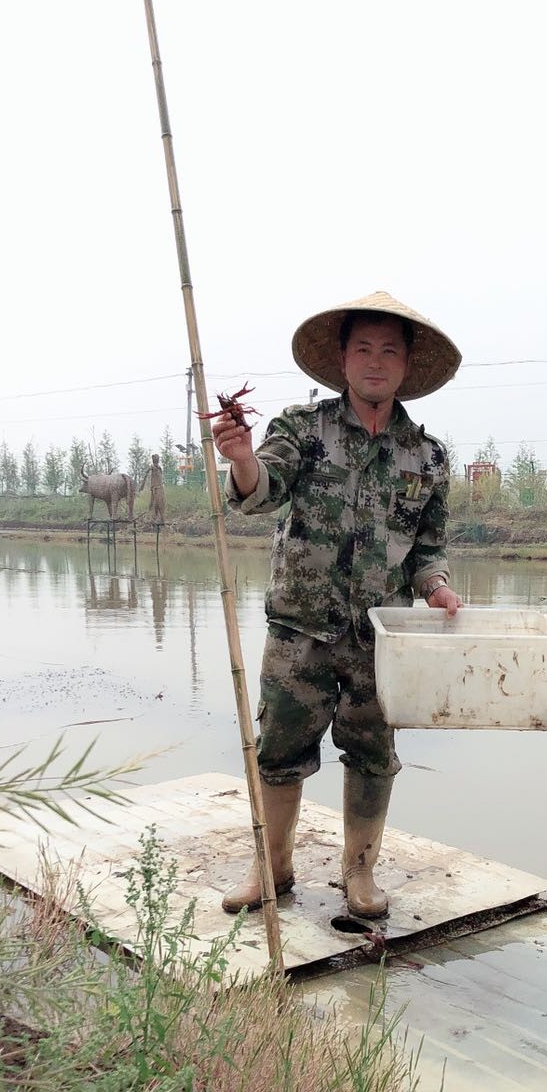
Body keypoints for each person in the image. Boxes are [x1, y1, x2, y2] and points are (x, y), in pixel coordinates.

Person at [214, 290, 463, 919]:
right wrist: (242, 460)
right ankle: (271, 869)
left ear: (406, 365)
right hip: (300, 631)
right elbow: (259, 492)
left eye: (388, 350)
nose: (375, 362)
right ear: (343, 360)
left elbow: (427, 547)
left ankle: (359, 875)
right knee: (278, 754)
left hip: (381, 638)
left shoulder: (428, 457)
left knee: (374, 756)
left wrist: (436, 587)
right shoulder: (303, 430)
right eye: (362, 349)